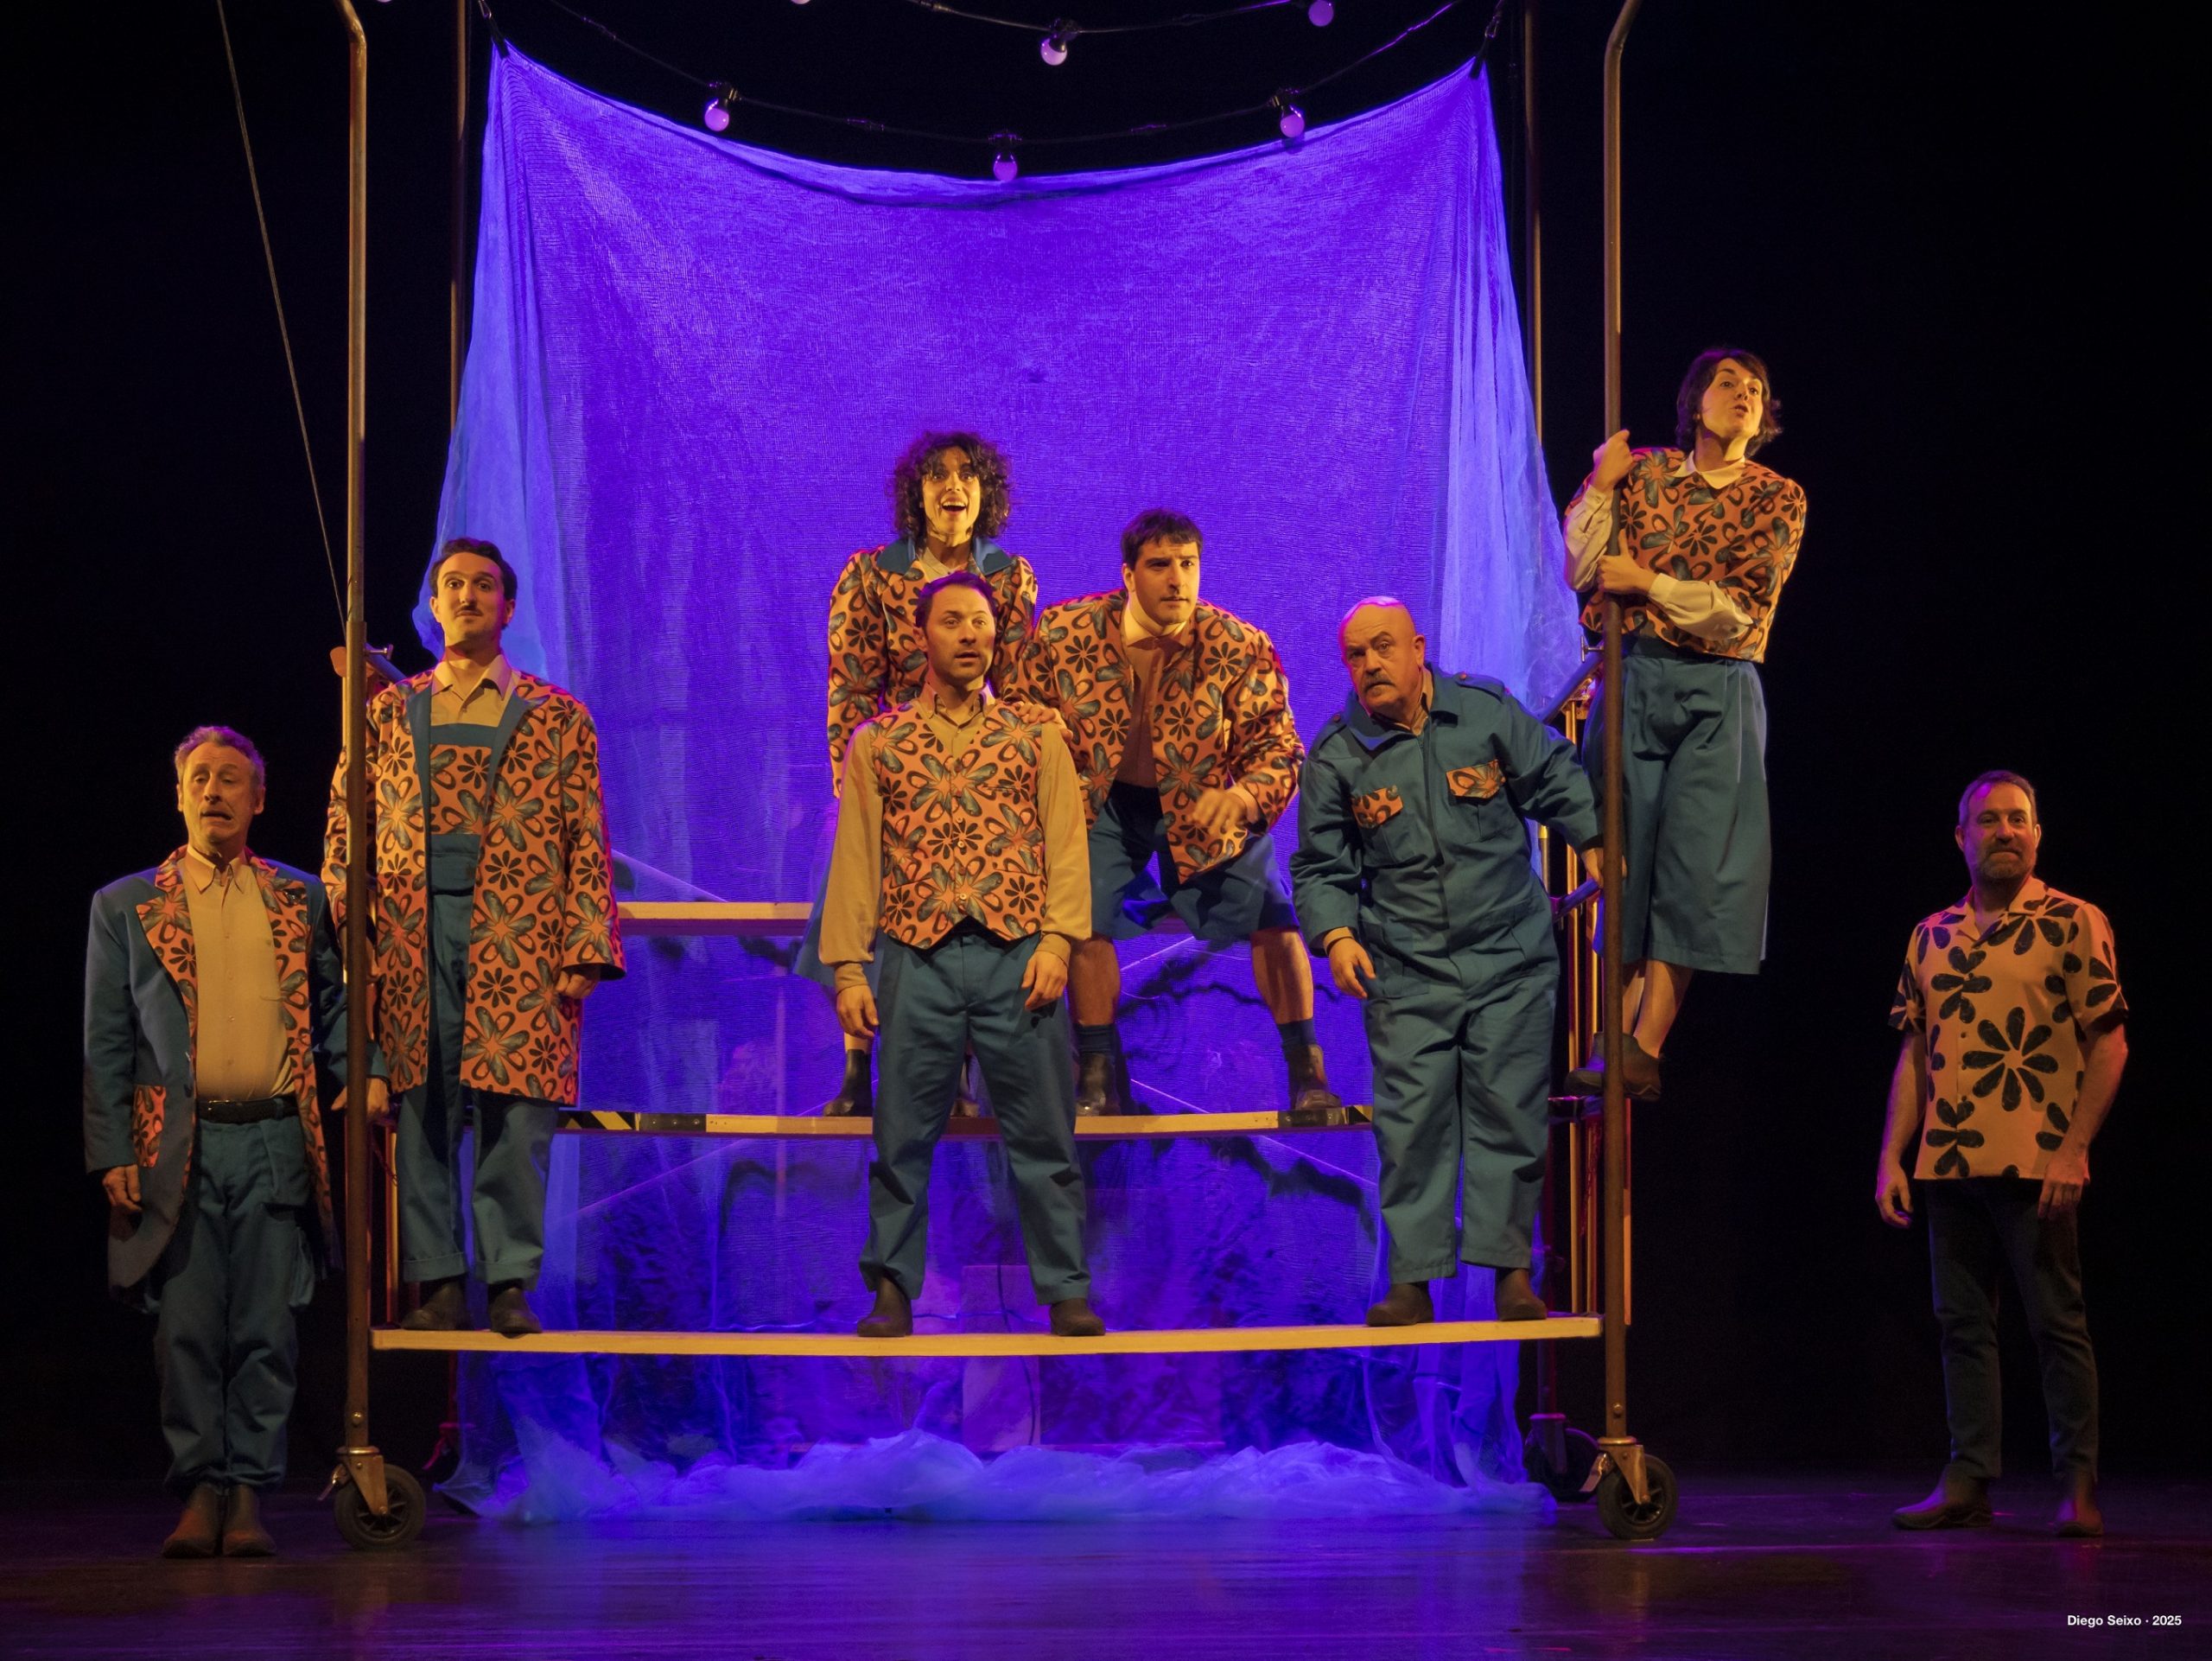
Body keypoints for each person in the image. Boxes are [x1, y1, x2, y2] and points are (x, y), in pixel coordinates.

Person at [324, 537, 624, 1339]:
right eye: (452, 585)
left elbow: (587, 834)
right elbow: (347, 827)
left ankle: (510, 1280)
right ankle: (441, 1281)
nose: (466, 596)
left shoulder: (557, 715)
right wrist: (352, 930)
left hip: (522, 934)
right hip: (412, 931)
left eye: (483, 585)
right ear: (433, 606)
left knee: (515, 1110)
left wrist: (585, 942)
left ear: (508, 606)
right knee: (421, 1107)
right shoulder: (387, 713)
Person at [85, 728, 364, 1556]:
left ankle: (248, 1497)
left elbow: (336, 1005)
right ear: (179, 795)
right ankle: (199, 1491)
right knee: (188, 1332)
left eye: (232, 779)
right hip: (181, 1148)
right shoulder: (127, 905)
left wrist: (367, 1074)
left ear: (259, 798)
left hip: (273, 1139)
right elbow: (107, 1038)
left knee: (267, 1330)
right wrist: (111, 1151)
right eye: (200, 778)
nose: (214, 791)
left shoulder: (300, 898)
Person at [1293, 601, 1605, 1324]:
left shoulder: (1483, 711)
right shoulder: (1338, 753)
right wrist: (1337, 937)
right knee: (1412, 1126)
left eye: (1382, 648)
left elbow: (1552, 773)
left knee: (1509, 1113)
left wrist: (1590, 837)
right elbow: (1319, 866)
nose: (1369, 665)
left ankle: (1511, 1274)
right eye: (1354, 656)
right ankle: (1413, 1281)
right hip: (1407, 970)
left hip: (1508, 959)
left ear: (1417, 649)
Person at [819, 571, 1103, 1338]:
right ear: (922, 637)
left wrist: (1058, 940)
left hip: (1018, 955)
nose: (971, 633)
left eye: (981, 621)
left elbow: (1065, 842)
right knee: (902, 1134)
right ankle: (891, 1289)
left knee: (1044, 1133)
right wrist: (848, 967)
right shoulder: (878, 742)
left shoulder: (1035, 734)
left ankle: (1065, 1287)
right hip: (919, 958)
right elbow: (857, 860)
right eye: (952, 621)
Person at [1007, 509, 1339, 1121]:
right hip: (1101, 803)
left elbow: (1277, 748)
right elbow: (1018, 709)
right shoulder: (1063, 631)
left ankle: (1306, 1070)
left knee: (1272, 910)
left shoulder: (1238, 643)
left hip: (1204, 803)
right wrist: (1044, 730)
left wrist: (1244, 798)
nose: (1177, 579)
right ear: (1128, 575)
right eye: (1160, 565)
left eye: (1188, 564)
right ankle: (1097, 1074)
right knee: (1081, 911)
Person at [1878, 772, 2126, 1537]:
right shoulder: (1931, 934)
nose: (2006, 831)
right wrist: (1892, 1156)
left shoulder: (2072, 921)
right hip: (1948, 1165)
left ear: (2038, 835)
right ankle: (1969, 1478)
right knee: (1961, 1326)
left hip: (2037, 1162)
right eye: (1989, 820)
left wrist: (2074, 1150)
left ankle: (2077, 1484)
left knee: (2056, 1324)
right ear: (1962, 838)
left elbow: (2110, 1042)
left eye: (2019, 819)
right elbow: (1916, 1052)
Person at [1562, 348, 1807, 1099]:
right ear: (1695, 402)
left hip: (1719, 686)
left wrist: (1651, 583)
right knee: (1623, 855)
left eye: (1757, 388)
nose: (1745, 394)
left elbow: (1741, 612)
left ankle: (1645, 1044)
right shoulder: (1646, 474)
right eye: (1728, 383)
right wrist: (1600, 486)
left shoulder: (1777, 497)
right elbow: (1581, 569)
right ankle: (1611, 1038)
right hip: (1637, 672)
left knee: (1696, 865)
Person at [810, 432, 1039, 1117]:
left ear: (985, 493)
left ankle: (961, 1073)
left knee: (972, 904)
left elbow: (1018, 683)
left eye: (967, 474)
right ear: (917, 492)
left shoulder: (1010, 576)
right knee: (854, 901)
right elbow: (851, 685)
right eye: (937, 474)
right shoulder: (870, 573)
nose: (953, 486)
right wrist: (855, 782)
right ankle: (858, 1068)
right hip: (888, 767)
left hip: (980, 771)